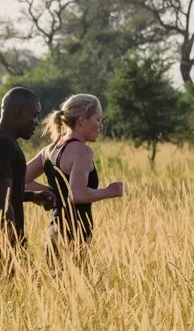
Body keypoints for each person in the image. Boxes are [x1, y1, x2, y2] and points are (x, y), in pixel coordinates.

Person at [25, 93, 125, 253]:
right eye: (98, 119)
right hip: (75, 234)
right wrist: (109, 191)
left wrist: (54, 193)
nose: (101, 125)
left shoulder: (50, 150)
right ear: (82, 121)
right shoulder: (82, 152)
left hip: (54, 231)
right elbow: (77, 195)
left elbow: (22, 179)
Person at [0, 86, 53, 252]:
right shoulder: (2, 144)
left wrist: (33, 196)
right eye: (34, 115)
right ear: (18, 112)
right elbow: (2, 203)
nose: (36, 122)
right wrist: (15, 245)